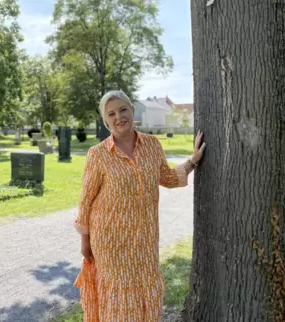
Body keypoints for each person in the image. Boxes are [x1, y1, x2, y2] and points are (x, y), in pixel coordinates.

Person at [73, 90, 206, 321]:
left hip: (144, 238)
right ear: (106, 122)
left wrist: (193, 160)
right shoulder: (98, 154)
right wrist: (85, 242)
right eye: (111, 114)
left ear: (133, 111)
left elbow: (168, 177)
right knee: (118, 298)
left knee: (148, 289)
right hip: (110, 242)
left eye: (123, 109)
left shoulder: (152, 145)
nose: (119, 117)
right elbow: (85, 201)